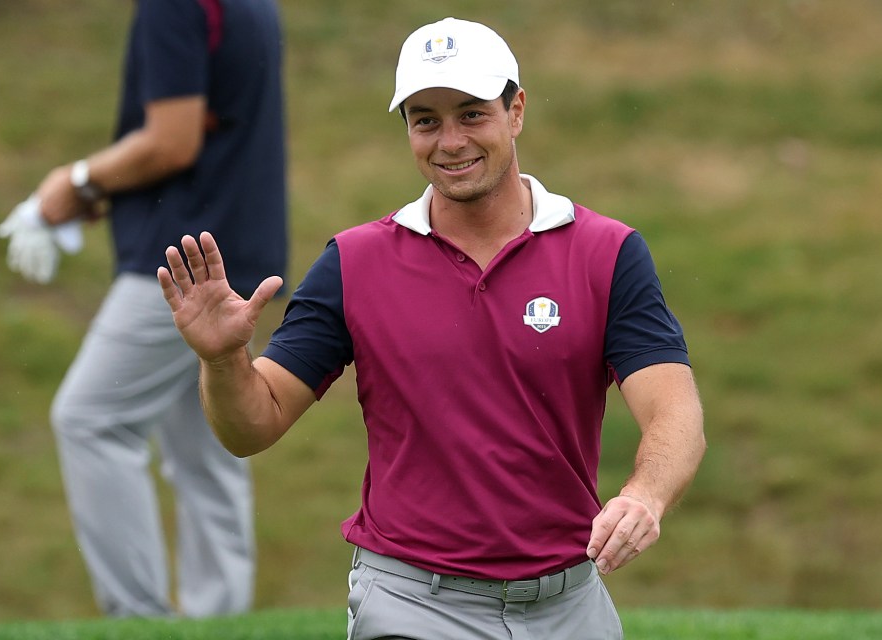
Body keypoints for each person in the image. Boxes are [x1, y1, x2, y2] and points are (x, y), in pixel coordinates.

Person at [158, 16, 704, 639]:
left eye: (472, 115)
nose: (450, 142)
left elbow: (674, 410)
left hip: (568, 602)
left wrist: (644, 495)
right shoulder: (355, 262)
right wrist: (223, 360)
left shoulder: (606, 252)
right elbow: (253, 426)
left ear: (516, 111)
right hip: (413, 602)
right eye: (426, 121)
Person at [5, 0, 287, 618]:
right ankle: (220, 622)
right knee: (206, 445)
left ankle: (138, 622)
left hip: (184, 262)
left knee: (91, 419)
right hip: (233, 247)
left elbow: (171, 141)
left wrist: (78, 181)